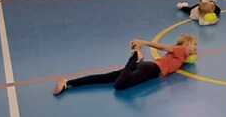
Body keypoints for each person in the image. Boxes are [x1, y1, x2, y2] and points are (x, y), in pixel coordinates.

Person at [53, 35, 197, 95]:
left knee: (105, 77)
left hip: (148, 68)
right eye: (192, 44)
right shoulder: (180, 50)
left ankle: (68, 83)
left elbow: (191, 59)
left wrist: (191, 54)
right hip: (152, 69)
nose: (194, 47)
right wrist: (144, 42)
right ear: (184, 44)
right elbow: (163, 47)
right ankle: (135, 57)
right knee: (119, 86)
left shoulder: (183, 57)